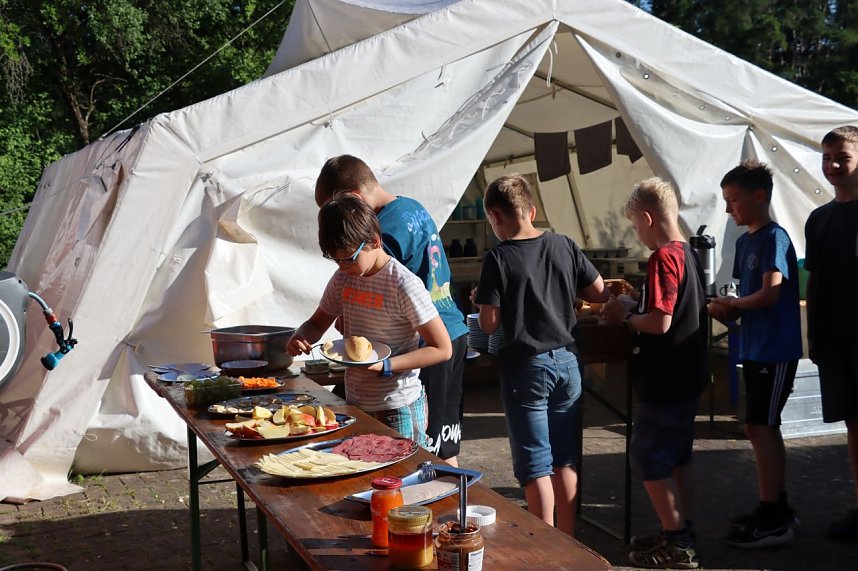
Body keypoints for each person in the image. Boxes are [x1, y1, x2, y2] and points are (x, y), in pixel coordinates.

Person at [472, 174, 608, 537]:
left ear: (495, 217)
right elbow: (598, 290)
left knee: (536, 466)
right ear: (531, 210)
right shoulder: (563, 243)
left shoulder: (498, 258)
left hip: (526, 367)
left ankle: (546, 549)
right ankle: (567, 540)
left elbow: (488, 325)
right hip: (568, 361)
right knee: (564, 459)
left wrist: (482, 301)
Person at [315, 155, 469, 465]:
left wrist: (353, 331)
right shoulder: (410, 206)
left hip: (423, 346)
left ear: (353, 199)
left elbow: (363, 310)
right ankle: (447, 501)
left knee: (426, 452)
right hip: (453, 328)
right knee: (442, 446)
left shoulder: (384, 232)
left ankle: (442, 505)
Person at [286, 195, 452, 446]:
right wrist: (302, 336)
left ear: (374, 241)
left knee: (402, 478)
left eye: (347, 258)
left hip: (399, 405)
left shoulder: (403, 284)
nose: (342, 266)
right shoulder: (344, 278)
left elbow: (441, 349)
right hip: (358, 402)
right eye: (335, 259)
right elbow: (317, 323)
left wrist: (387, 366)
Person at [602, 177, 708, 569]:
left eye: (635, 225)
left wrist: (626, 314)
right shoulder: (689, 252)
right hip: (689, 371)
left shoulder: (663, 257)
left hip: (665, 377)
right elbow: (675, 308)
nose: (637, 233)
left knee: (647, 458)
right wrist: (638, 301)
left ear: (647, 217)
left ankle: (680, 545)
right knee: (678, 458)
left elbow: (660, 323)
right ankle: (680, 529)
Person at [708, 161, 802, 547]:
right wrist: (728, 307)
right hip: (755, 346)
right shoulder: (746, 241)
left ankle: (775, 517)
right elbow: (745, 296)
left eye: (733, 200)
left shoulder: (773, 238)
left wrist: (735, 305)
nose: (728, 209)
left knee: (762, 426)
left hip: (776, 349)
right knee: (757, 426)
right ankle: (772, 505)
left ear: (758, 196)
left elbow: (770, 293)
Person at [804, 125, 858, 542]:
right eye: (827, 157)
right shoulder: (818, 219)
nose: (833, 165)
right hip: (835, 342)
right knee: (853, 427)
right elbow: (818, 283)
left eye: (842, 156)